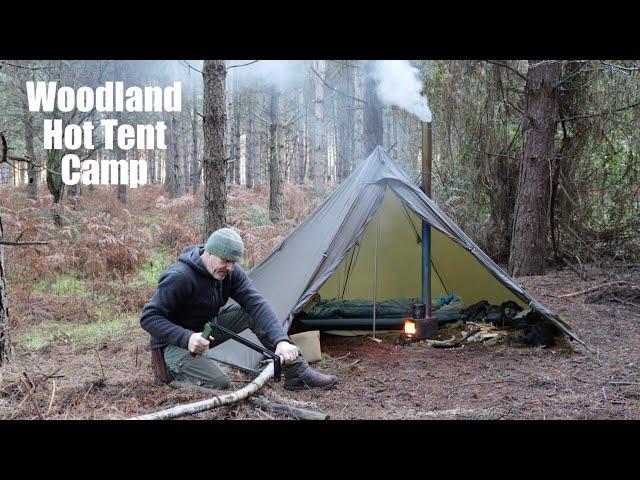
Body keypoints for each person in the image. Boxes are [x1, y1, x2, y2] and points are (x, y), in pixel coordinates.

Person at [140, 227, 338, 391]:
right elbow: (149, 318)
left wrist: (281, 341)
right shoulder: (180, 277)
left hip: (206, 331)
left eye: (233, 262)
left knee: (249, 313)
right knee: (221, 383)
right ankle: (174, 380)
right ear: (208, 253)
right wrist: (187, 338)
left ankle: (297, 374)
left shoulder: (230, 273)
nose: (230, 268)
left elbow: (256, 304)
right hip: (173, 344)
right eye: (225, 261)